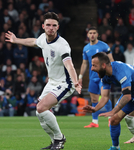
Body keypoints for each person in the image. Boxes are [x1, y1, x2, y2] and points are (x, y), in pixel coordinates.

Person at [5, 12, 81, 150]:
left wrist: (75, 82)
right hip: (52, 82)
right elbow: (33, 41)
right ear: (43, 26)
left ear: (58, 27)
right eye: (48, 25)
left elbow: (69, 65)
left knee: (41, 107)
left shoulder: (62, 45)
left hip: (65, 83)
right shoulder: (42, 38)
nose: (51, 28)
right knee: (39, 112)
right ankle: (55, 143)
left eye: (54, 25)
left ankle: (59, 138)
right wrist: (16, 40)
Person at [83, 52, 134, 150]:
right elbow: (104, 97)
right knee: (113, 120)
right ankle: (115, 147)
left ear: (103, 65)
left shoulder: (121, 71)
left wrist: (113, 111)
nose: (91, 69)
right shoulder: (105, 75)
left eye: (94, 66)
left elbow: (127, 97)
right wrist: (95, 108)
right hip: (131, 93)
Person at [78, 26, 113, 128]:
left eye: (94, 33)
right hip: (92, 77)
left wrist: (111, 73)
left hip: (103, 76)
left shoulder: (104, 46)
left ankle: (110, 119)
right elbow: (84, 64)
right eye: (90, 33)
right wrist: (80, 76)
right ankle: (94, 122)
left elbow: (111, 60)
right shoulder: (86, 48)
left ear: (97, 35)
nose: (92, 35)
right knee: (94, 100)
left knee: (105, 97)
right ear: (88, 35)